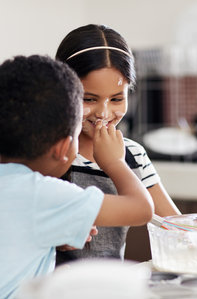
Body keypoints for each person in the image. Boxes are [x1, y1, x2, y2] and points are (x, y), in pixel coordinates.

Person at [0, 55, 153, 299]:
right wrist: (115, 161)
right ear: (64, 149)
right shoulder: (41, 194)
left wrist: (52, 239)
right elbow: (141, 208)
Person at [55, 24, 181, 264]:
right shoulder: (51, 155)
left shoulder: (133, 154)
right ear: (63, 91)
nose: (103, 113)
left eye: (116, 99)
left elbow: (177, 226)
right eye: (89, 99)